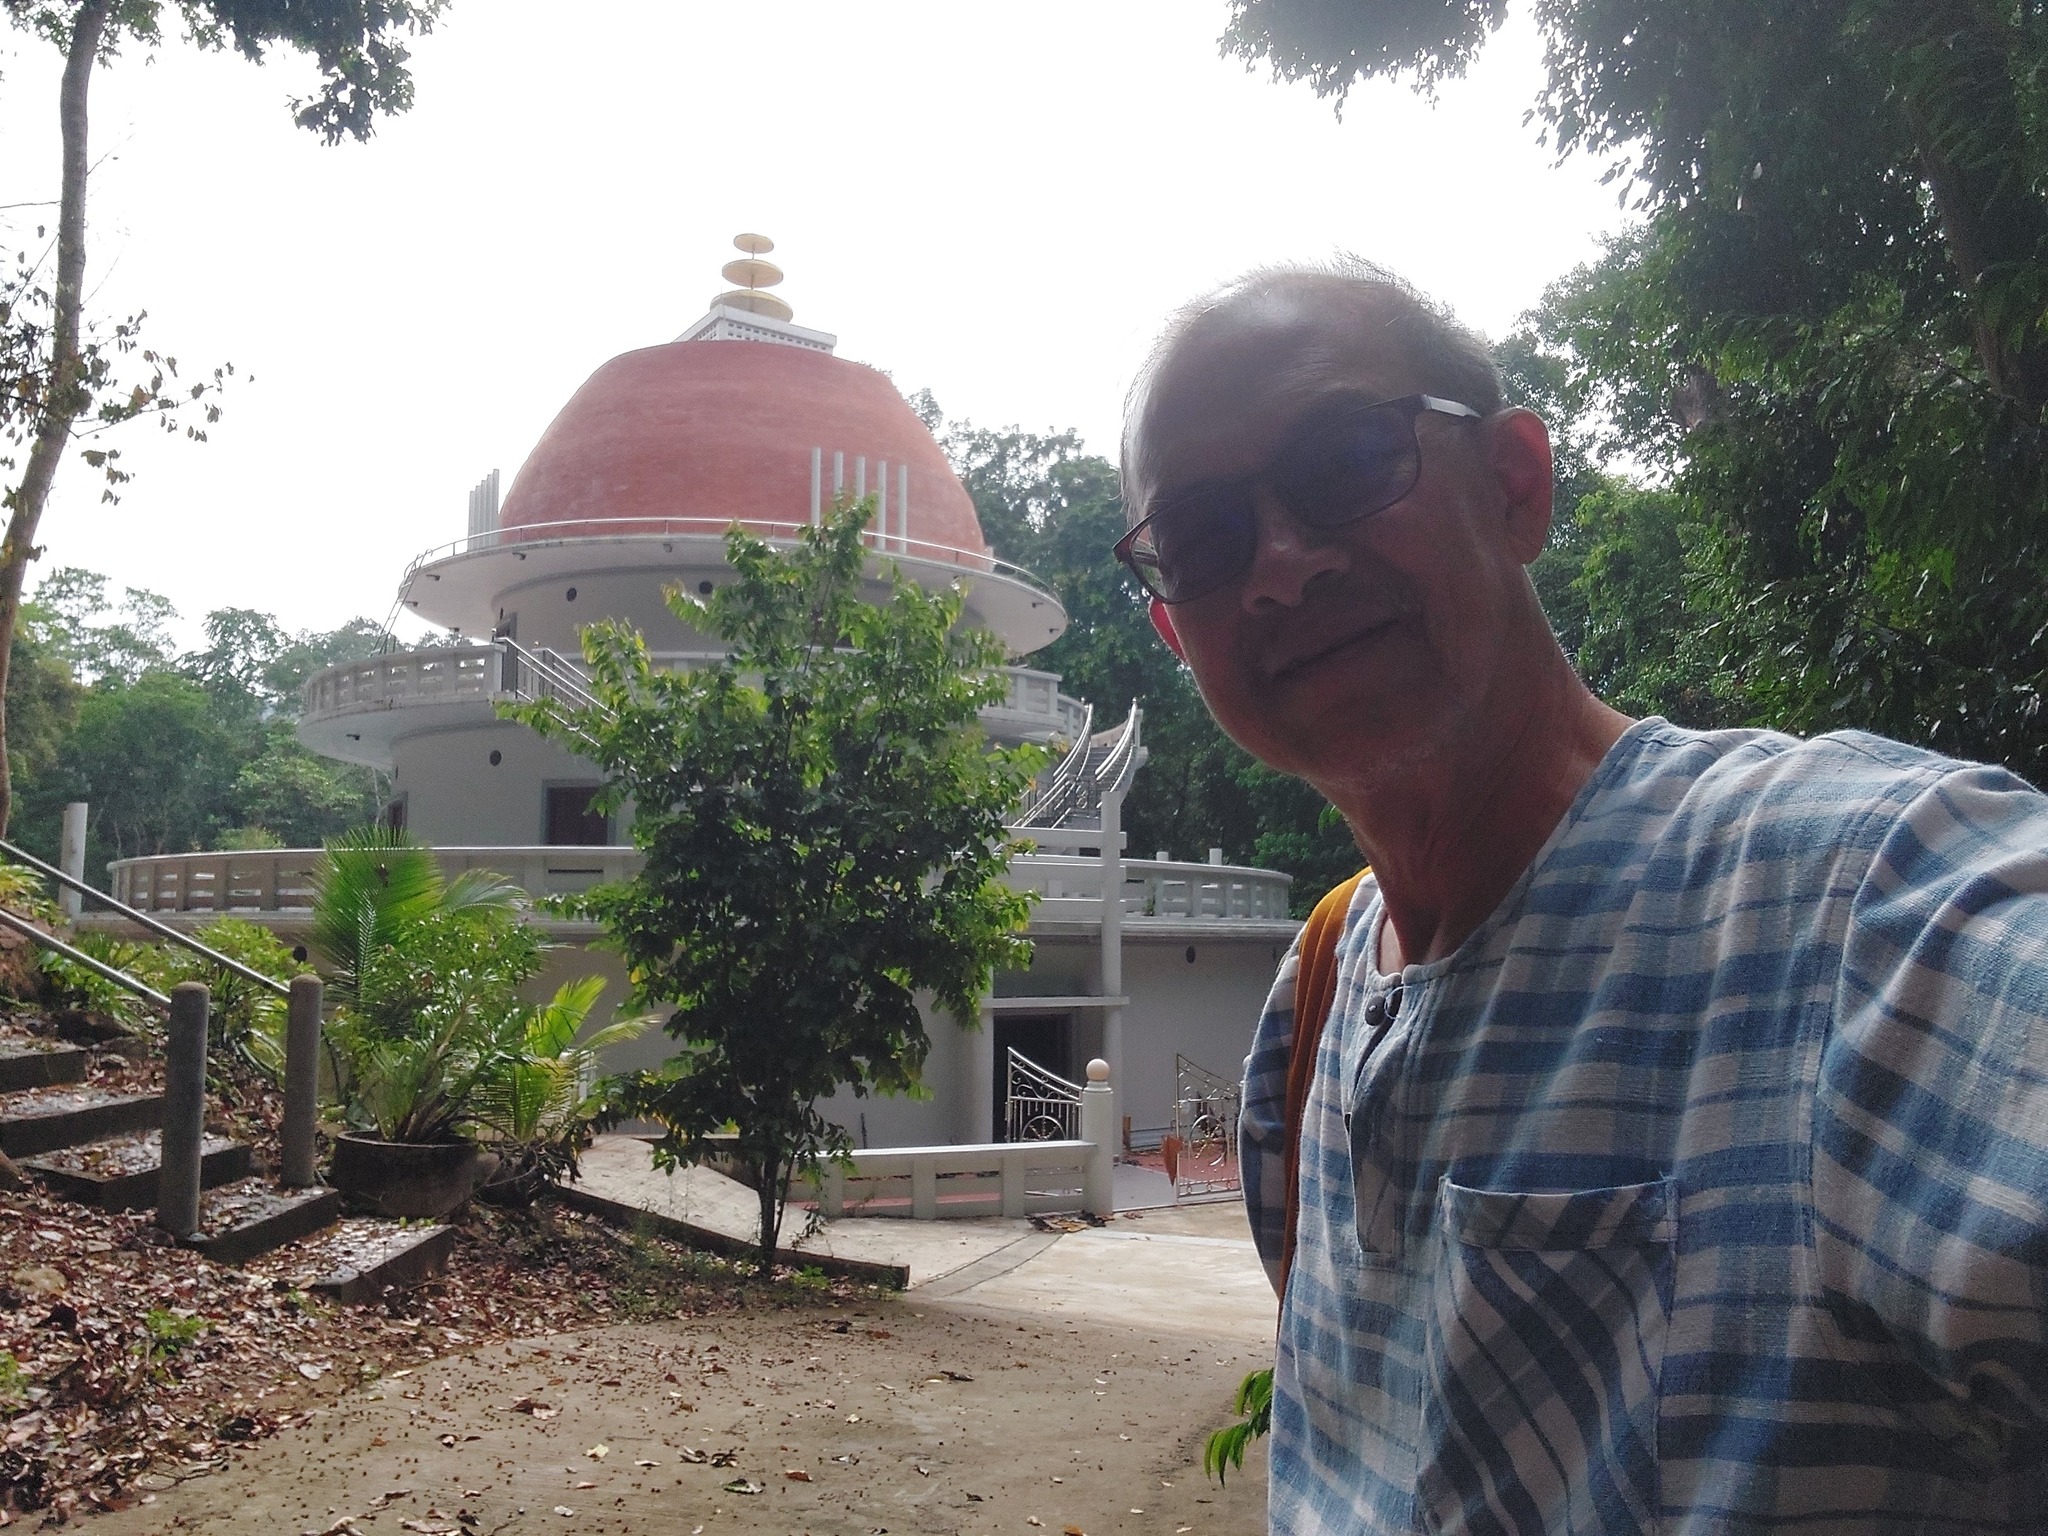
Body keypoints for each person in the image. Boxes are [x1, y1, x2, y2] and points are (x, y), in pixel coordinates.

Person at [1115, 260, 2048, 1534]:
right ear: (1179, 636)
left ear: (1514, 484)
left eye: (1345, 461)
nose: (1277, 567)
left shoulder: (1853, 902)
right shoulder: (1316, 994)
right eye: (1202, 540)